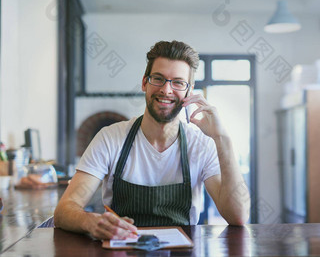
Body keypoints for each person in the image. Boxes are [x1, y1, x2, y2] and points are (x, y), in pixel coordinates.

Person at [54, 40, 250, 240]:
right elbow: (63, 211)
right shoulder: (110, 138)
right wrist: (91, 222)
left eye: (178, 82)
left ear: (189, 92)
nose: (166, 90)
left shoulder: (201, 144)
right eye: (158, 79)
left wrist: (222, 138)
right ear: (144, 83)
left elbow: (238, 216)